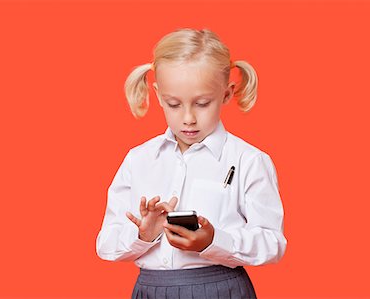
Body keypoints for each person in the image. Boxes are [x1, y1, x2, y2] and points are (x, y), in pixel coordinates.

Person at [96, 28, 287, 299]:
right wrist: (143, 235)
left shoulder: (249, 161)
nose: (188, 118)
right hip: (151, 291)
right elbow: (105, 246)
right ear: (159, 95)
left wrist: (213, 241)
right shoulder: (138, 159)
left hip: (221, 290)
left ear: (226, 94)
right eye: (174, 104)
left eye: (202, 103)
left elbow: (273, 243)